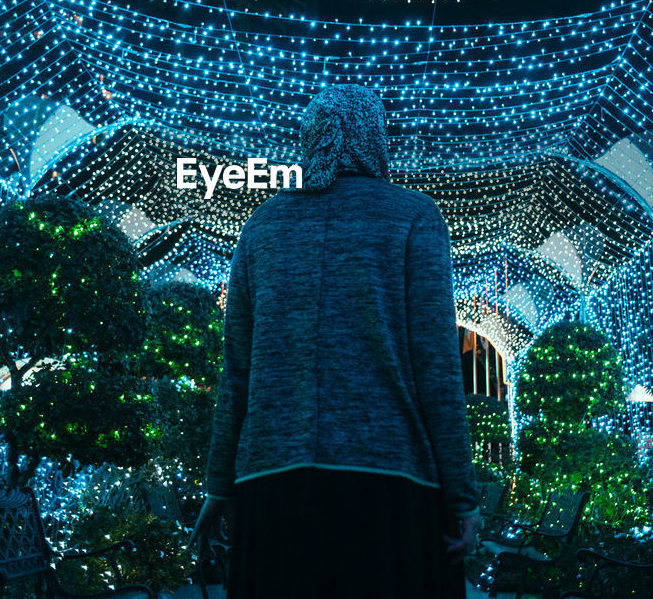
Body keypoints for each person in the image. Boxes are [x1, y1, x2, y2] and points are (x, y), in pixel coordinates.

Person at [191, 84, 482, 598]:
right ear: (376, 136)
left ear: (310, 137)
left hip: (272, 483)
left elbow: (235, 370)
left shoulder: (263, 226)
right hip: (391, 485)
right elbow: (436, 365)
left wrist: (219, 487)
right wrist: (462, 498)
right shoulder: (414, 216)